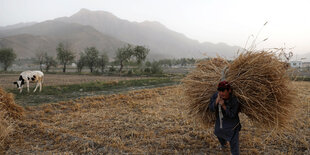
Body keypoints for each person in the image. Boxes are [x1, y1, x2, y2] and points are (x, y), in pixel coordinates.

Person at [209, 80, 241, 155]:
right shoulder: (216, 96)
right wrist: (216, 101)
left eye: (223, 91)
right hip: (220, 121)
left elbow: (232, 115)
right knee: (218, 132)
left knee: (234, 144)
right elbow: (211, 109)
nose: (221, 93)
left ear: (229, 90)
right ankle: (224, 144)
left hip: (232, 124)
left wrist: (223, 106)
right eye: (219, 91)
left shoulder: (234, 100)